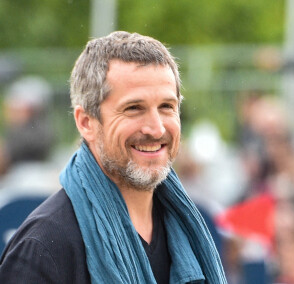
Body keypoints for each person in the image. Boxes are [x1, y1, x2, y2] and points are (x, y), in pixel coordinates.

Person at [0, 31, 226, 283]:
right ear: (86, 122)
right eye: (134, 108)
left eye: (166, 107)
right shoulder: (44, 246)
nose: (157, 128)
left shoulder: (191, 232)